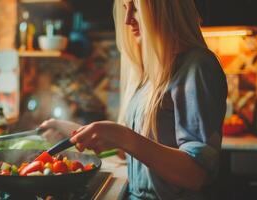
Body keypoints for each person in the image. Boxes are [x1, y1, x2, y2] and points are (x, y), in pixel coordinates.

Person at [40, 0, 228, 199]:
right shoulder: (151, 74)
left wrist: (123, 136)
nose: (128, 20)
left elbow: (196, 174)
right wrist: (72, 132)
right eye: (124, 9)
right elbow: (131, 152)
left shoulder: (197, 66)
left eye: (136, 9)